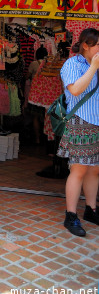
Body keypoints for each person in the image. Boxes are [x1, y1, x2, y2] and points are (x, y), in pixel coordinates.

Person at [59, 28, 99, 237]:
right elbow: (75, 90)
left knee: (95, 169)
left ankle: (91, 210)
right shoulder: (72, 64)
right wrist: (93, 67)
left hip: (97, 122)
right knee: (80, 169)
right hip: (80, 120)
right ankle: (71, 215)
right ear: (86, 45)